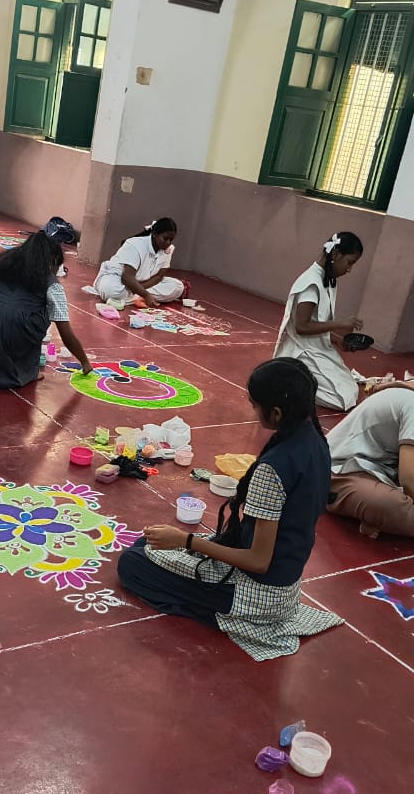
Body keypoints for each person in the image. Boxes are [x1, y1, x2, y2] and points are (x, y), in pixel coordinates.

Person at [117, 359, 342, 661]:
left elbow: (259, 561)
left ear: (275, 413)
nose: (253, 412)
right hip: (284, 588)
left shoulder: (274, 468)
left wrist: (185, 541)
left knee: (132, 563)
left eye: (254, 405)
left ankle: (215, 611)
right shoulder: (316, 441)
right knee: (148, 544)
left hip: (258, 595)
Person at [0, 231, 93, 389]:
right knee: (48, 310)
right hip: (10, 325)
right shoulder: (51, 285)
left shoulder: (3, 262)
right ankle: (24, 370)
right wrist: (85, 362)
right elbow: (66, 333)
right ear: (53, 261)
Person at [274, 231, 364, 411]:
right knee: (340, 399)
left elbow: (318, 322)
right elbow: (302, 327)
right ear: (336, 255)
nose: (349, 269)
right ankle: (288, 380)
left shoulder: (328, 280)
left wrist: (338, 341)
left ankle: (294, 380)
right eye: (350, 263)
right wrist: (340, 323)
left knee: (351, 388)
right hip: (301, 350)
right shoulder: (311, 282)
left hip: (316, 348)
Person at [326, 383, 414, 538]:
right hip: (341, 469)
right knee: (392, 506)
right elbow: (409, 479)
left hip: (385, 468)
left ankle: (379, 518)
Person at [92, 217, 184, 307]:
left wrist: (138, 289)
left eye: (171, 240)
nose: (168, 243)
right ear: (154, 234)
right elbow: (126, 278)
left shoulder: (168, 249)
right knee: (112, 291)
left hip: (140, 283)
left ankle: (133, 296)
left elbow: (159, 276)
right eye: (165, 238)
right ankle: (138, 296)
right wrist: (146, 295)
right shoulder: (135, 244)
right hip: (117, 279)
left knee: (178, 287)